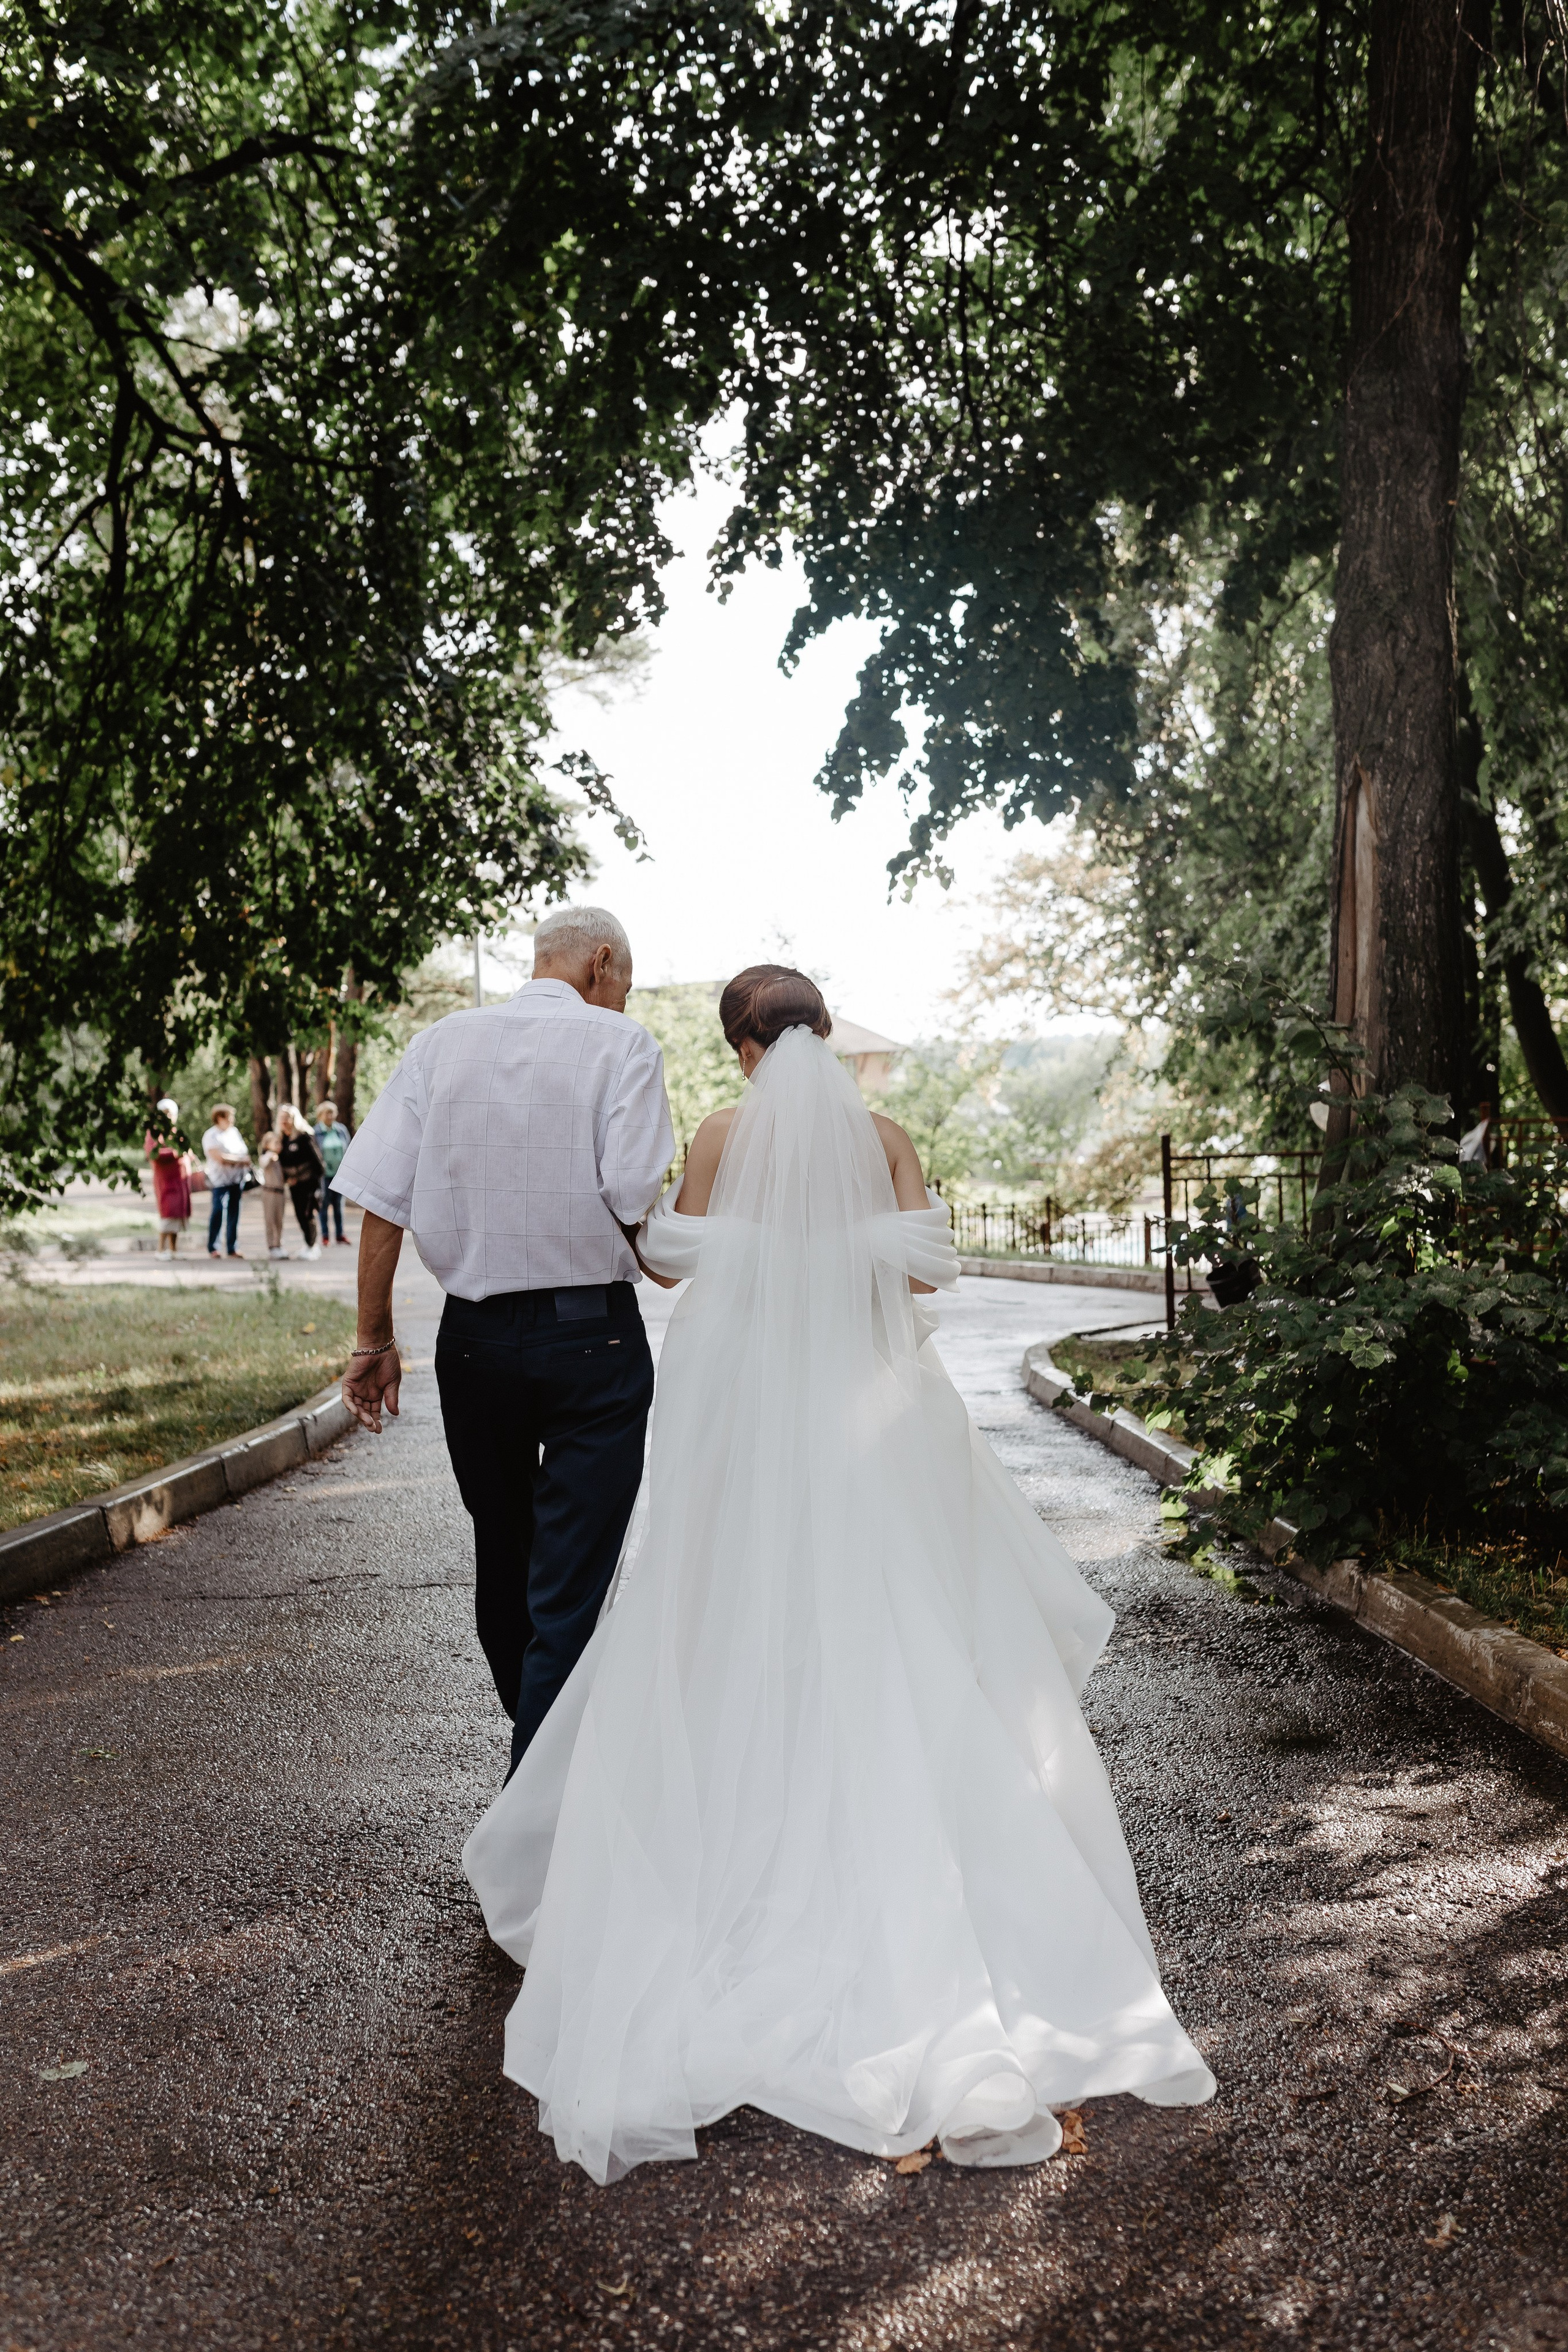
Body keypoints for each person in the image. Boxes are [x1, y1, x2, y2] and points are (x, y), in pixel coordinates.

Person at [461, 965, 1216, 2185]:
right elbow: (923, 1275)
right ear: (822, 1035)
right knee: (896, 1627)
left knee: (735, 1628)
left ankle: (735, 1867)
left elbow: (669, 1263)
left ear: (742, 1048)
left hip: (753, 1434)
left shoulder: (717, 1133)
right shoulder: (888, 1137)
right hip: (872, 1426)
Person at [336, 905, 673, 1770]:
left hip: (475, 1345)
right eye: (625, 985)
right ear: (601, 963)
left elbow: (383, 1198)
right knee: (568, 1582)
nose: (623, 1002)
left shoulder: (440, 1045)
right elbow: (634, 1192)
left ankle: (535, 1752)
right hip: (595, 1344)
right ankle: (539, 1801)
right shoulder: (623, 1048)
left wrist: (373, 1337)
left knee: (506, 1550)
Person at [201, 1104, 251, 1259]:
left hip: (237, 1180)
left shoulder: (234, 1133)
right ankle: (214, 1247)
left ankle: (232, 1247)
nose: (232, 1120)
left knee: (234, 1213)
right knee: (218, 1212)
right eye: (229, 1117)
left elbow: (245, 1153)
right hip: (220, 1181)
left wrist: (238, 1160)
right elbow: (220, 1158)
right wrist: (240, 1161)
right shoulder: (211, 1135)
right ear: (220, 1118)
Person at [144, 1098, 192, 1256]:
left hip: (180, 1180)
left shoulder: (175, 1132)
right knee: (168, 1215)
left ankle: (173, 1250)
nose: (168, 1117)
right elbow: (152, 1154)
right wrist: (175, 1153)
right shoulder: (154, 1132)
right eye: (165, 1113)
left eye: (170, 1113)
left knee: (177, 1217)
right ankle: (160, 1249)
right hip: (166, 1180)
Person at [277, 1106, 325, 1260]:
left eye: (287, 1118)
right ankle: (308, 1243)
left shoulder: (305, 1137)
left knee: (308, 1213)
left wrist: (316, 1185)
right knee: (299, 1215)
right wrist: (288, 1178)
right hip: (294, 1186)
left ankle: (313, 1246)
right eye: (282, 1118)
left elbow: (318, 1163)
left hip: (309, 1184)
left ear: (294, 1119)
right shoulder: (282, 1139)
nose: (284, 1121)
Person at [313, 1098, 352, 1246]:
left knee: (339, 1206)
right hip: (324, 1175)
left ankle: (340, 1234)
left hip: (339, 1174)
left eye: (332, 1113)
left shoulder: (341, 1130)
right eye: (327, 1114)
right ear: (320, 1115)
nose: (330, 1116)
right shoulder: (316, 1132)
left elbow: (348, 1148)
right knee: (324, 1205)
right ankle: (325, 1235)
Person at [258, 1130, 287, 1260]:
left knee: (279, 1220)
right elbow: (263, 1163)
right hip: (269, 1192)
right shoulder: (267, 1157)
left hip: (281, 1192)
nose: (278, 1145)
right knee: (270, 1220)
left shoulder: (282, 1159)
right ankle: (272, 1246)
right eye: (275, 1143)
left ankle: (278, 1244)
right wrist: (270, 1155)